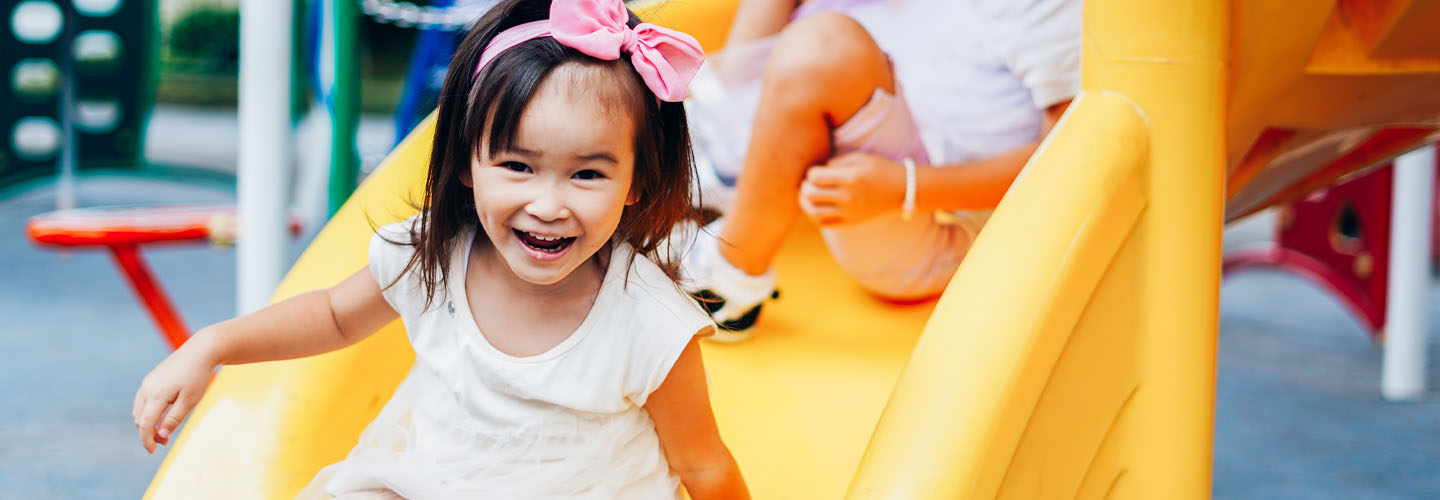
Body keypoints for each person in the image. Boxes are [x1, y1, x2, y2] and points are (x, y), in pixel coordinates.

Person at [131, 0, 750, 498]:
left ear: (637, 181)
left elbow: (702, 467)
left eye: (587, 175)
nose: (548, 203)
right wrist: (211, 346)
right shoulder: (436, 254)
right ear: (466, 163)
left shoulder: (647, 324)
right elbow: (332, 316)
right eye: (517, 165)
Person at [678, 0, 1080, 339]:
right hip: (856, 143)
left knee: (825, 47)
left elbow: (1069, 161)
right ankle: (721, 156)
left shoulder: (1054, 14)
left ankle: (728, 282)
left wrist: (904, 188)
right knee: (824, 43)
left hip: (928, 218)